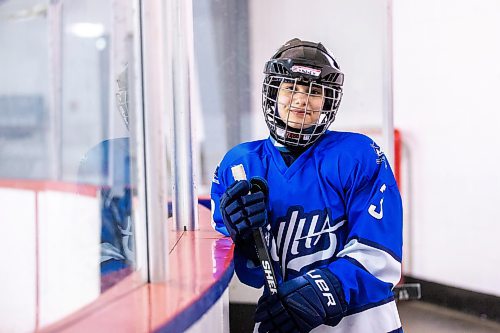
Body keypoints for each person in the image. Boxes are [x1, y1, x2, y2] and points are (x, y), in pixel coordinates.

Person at [210, 38, 403, 332]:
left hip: (362, 323)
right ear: (273, 93)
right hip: (283, 320)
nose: (302, 99)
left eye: (315, 92)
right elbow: (252, 276)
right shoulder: (240, 165)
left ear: (328, 101)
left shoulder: (358, 155)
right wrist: (248, 242)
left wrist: (319, 292)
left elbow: (381, 256)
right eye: (291, 88)